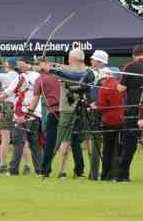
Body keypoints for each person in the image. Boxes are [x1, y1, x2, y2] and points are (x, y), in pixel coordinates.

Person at [40, 48, 93, 179]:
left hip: (72, 109)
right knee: (71, 141)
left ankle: (64, 171)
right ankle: (71, 171)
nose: (68, 61)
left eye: (69, 58)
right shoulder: (87, 71)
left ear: (73, 59)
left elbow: (72, 75)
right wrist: (45, 67)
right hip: (78, 109)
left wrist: (50, 69)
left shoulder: (82, 72)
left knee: (66, 140)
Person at [116, 45, 143, 182]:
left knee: (129, 144)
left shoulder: (130, 66)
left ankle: (122, 175)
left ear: (134, 56)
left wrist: (114, 83)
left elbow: (121, 88)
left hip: (134, 109)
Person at [6, 57, 43, 176]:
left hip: (26, 114)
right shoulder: (25, 76)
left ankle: (14, 169)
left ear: (28, 64)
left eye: (21, 64)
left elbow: (8, 92)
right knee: (32, 143)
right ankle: (39, 170)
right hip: (31, 114)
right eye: (18, 65)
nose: (19, 67)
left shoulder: (32, 76)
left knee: (20, 142)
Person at [29, 58, 61, 177]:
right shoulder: (58, 75)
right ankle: (75, 171)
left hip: (54, 111)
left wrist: (29, 112)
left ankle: (45, 169)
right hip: (65, 110)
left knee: (50, 142)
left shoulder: (40, 80)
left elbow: (35, 99)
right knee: (69, 141)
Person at [96, 67, 124, 180]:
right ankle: (118, 173)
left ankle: (106, 174)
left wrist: (96, 107)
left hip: (109, 120)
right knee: (119, 148)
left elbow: (102, 106)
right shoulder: (120, 85)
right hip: (122, 119)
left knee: (108, 149)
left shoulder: (103, 88)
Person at [86, 50, 109, 180]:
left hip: (103, 112)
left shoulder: (106, 74)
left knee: (99, 143)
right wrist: (90, 102)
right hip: (96, 111)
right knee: (95, 142)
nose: (91, 61)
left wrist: (95, 103)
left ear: (100, 61)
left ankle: (98, 173)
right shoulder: (92, 73)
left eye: (93, 60)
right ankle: (94, 173)